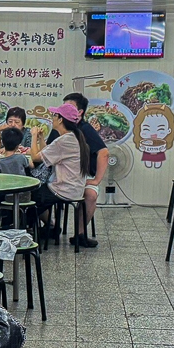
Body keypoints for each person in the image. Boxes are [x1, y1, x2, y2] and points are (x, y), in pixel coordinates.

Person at [30, 103, 91, 231]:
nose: (52, 118)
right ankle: (50, 227)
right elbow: (47, 153)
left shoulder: (63, 141)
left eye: (54, 115)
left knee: (28, 197)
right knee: (36, 194)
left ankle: (36, 228)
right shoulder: (74, 137)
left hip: (62, 189)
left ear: (61, 119)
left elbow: (36, 157)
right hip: (74, 188)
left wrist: (34, 136)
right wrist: (41, 138)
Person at [63, 92, 108, 248]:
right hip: (60, 176)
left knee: (90, 195)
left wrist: (96, 180)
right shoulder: (59, 127)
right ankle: (51, 226)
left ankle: (79, 234)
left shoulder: (85, 129)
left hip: (83, 176)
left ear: (80, 112)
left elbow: (104, 153)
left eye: (68, 107)